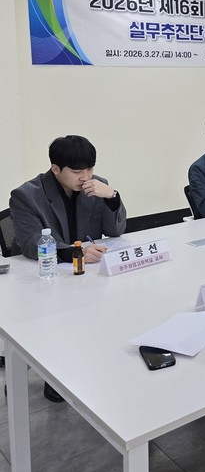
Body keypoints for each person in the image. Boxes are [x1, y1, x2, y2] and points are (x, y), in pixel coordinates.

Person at [9, 134, 127, 403]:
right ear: (55, 169)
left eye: (90, 169)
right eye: (77, 171)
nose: (86, 177)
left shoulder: (97, 185)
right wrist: (76, 252)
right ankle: (52, 373)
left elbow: (116, 231)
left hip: (85, 276)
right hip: (43, 278)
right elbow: (31, 243)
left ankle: (87, 362)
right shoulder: (26, 195)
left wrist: (112, 197)